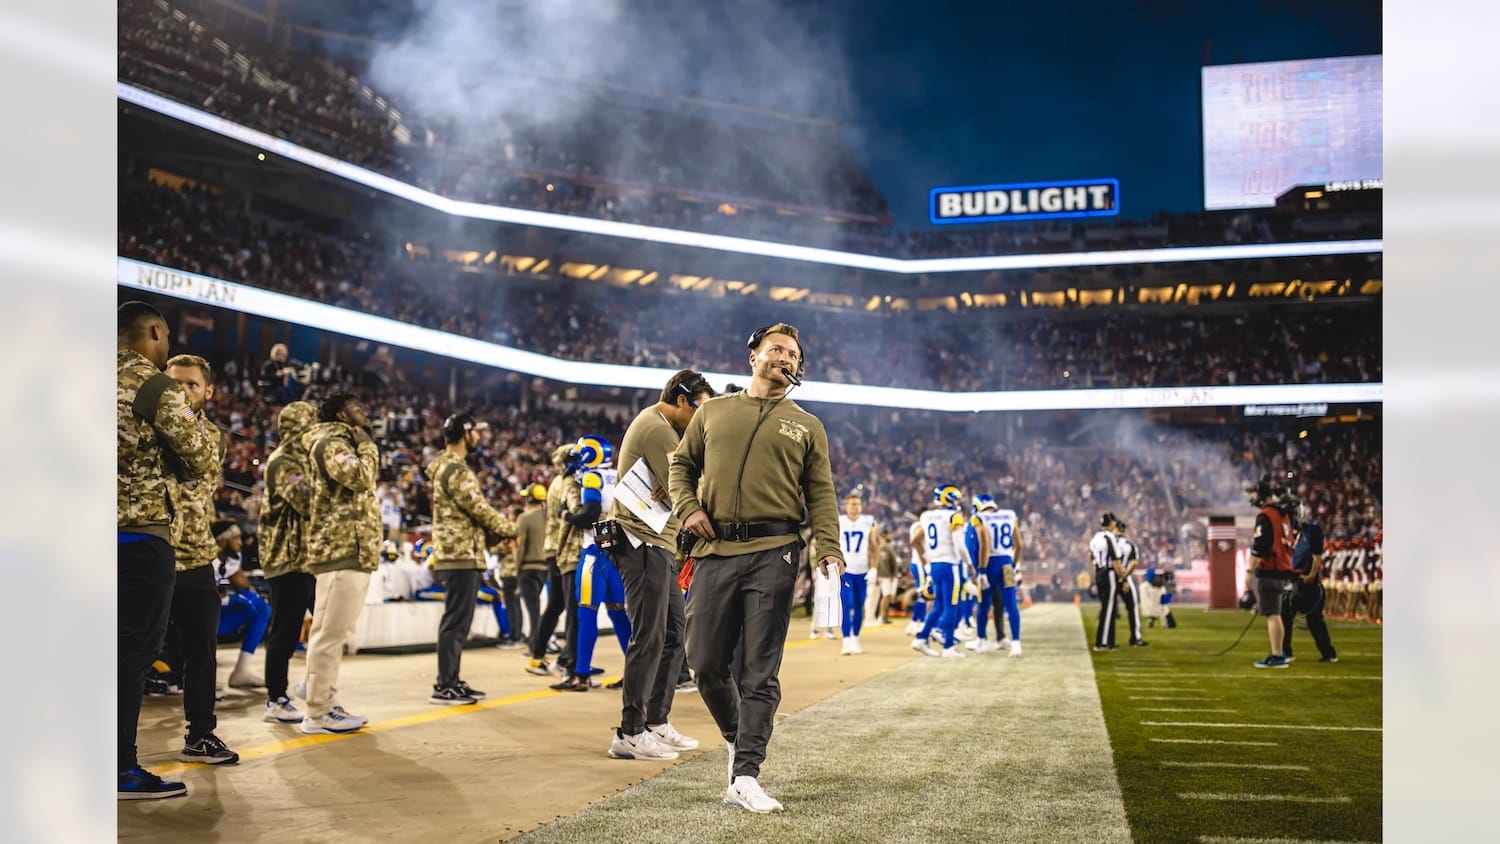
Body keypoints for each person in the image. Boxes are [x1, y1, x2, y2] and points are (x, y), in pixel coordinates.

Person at [669, 322, 844, 814]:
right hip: (713, 551)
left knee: (759, 671)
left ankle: (745, 773)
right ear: (753, 357)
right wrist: (688, 508)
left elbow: (822, 494)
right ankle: (735, 738)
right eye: (774, 349)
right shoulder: (714, 412)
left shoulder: (807, 425)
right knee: (703, 661)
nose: (783, 358)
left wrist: (827, 547)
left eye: (791, 353)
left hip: (776, 552)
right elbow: (680, 467)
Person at [117, 301, 217, 800]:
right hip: (137, 535)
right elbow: (199, 460)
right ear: (154, 331)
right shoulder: (155, 387)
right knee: (131, 653)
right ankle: (117, 768)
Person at [605, 370, 714, 760]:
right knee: (649, 635)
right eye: (699, 407)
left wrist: (679, 484)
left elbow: (678, 484)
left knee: (671, 633)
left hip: (658, 544)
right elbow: (689, 487)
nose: (700, 418)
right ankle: (630, 732)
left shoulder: (665, 429)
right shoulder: (658, 428)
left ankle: (655, 721)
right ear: (682, 400)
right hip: (642, 542)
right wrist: (684, 484)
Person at [163, 354, 241, 765]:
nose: (182, 391)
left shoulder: (212, 436)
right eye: (174, 383)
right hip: (151, 552)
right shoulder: (143, 426)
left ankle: (200, 735)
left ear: (208, 391)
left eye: (191, 384)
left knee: (202, 650)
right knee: (134, 653)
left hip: (194, 555)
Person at [298, 392, 380, 733]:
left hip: (352, 550)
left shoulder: (341, 443)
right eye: (355, 407)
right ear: (340, 415)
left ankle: (322, 697)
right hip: (339, 549)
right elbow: (360, 477)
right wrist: (369, 447)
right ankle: (316, 713)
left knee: (335, 632)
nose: (363, 411)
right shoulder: (332, 444)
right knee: (328, 635)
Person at [426, 412, 517, 705]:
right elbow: (478, 508)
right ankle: (445, 685)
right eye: (475, 432)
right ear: (466, 434)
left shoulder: (447, 468)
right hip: (459, 555)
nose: (479, 437)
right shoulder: (457, 470)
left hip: (459, 553)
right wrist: (509, 528)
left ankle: (451, 679)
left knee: (458, 622)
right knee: (455, 623)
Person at [551, 436, 632, 693]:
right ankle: (635, 674)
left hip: (594, 553)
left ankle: (581, 674)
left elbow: (588, 516)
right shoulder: (619, 474)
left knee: (586, 613)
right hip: (617, 554)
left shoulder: (592, 477)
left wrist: (564, 514)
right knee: (620, 615)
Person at [258, 400, 318, 725]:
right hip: (285, 558)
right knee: (285, 629)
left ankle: (313, 684)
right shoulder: (283, 462)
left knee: (321, 623)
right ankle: (276, 698)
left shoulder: (303, 462)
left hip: (305, 559)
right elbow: (307, 499)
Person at [526, 445, 578, 677]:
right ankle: (568, 660)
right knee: (571, 606)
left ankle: (537, 654)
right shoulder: (568, 482)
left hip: (551, 549)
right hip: (562, 549)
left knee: (556, 605)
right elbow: (575, 515)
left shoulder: (556, 481)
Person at [912, 485, 974, 659]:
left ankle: (921, 637)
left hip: (935, 565)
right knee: (951, 606)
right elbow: (960, 545)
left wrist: (926, 560)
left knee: (939, 605)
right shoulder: (953, 516)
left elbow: (917, 540)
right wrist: (969, 564)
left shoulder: (927, 516)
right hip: (950, 565)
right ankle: (948, 647)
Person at [1279, 490, 1338, 663]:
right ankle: (1287, 651)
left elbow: (1316, 556)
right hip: (1296, 581)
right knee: (1286, 615)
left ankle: (1328, 653)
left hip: (1308, 583)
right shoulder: (1295, 535)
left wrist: (1311, 575)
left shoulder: (1312, 531)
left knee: (1314, 621)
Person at [213, 522, 270, 689]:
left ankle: (242, 670)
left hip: (216, 612)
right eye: (235, 538)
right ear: (223, 540)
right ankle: (199, 678)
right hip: (193, 614)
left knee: (261, 607)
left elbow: (244, 587)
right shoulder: (206, 556)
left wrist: (249, 598)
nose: (240, 542)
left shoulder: (231, 557)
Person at [1246, 475, 1295, 669]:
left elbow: (1260, 546)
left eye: (1254, 493)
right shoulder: (1282, 514)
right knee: (1276, 613)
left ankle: (1277, 655)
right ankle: (1280, 653)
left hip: (1271, 569)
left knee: (1272, 614)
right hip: (1283, 568)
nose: (1252, 497)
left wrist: (1250, 571)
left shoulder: (1266, 515)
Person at [970, 494, 1023, 656]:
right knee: (1011, 604)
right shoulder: (1010, 514)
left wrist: (982, 570)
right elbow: (1019, 545)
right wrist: (1013, 564)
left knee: (983, 604)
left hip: (990, 564)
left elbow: (984, 545)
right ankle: (1016, 643)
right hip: (1007, 563)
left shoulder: (978, 518)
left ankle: (981, 639)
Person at [836, 492, 878, 655]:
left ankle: (855, 637)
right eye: (852, 504)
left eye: (858, 504)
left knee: (860, 606)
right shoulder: (839, 522)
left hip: (862, 570)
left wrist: (874, 568)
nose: (855, 507)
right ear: (845, 506)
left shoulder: (868, 521)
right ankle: (846, 639)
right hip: (845, 570)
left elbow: (874, 548)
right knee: (847, 604)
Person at [514, 484, 550, 650]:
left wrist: (517, 567)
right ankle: (540, 642)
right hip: (544, 568)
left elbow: (520, 546)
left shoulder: (524, 518)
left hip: (527, 568)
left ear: (529, 499)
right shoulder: (548, 517)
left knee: (532, 610)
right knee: (538, 609)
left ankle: (535, 647)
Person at [1090, 513, 1126, 651]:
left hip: (1099, 571)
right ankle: (1103, 642)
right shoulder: (1109, 537)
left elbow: (1091, 557)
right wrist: (1122, 576)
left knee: (1106, 607)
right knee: (1109, 608)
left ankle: (1109, 640)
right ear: (1111, 524)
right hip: (1108, 573)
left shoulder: (1095, 538)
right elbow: (1115, 560)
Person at [1111, 519, 1148, 648]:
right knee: (1132, 608)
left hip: (1110, 577)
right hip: (1125, 578)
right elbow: (1133, 563)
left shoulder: (1109, 543)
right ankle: (1135, 637)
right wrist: (1124, 578)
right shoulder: (1129, 545)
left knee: (1109, 610)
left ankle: (1109, 640)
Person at [873, 528, 900, 625]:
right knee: (886, 595)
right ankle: (881, 616)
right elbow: (884, 563)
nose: (891, 536)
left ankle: (883, 616)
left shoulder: (886, 546)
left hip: (887, 575)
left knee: (888, 596)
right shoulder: (884, 547)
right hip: (885, 575)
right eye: (889, 534)